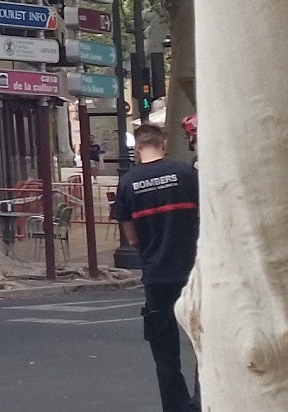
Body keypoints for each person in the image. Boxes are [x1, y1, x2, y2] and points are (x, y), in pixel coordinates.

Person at [113, 124, 200, 412]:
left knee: (165, 355)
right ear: (163, 144)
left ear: (137, 150)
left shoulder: (128, 183)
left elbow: (132, 236)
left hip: (156, 274)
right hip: (193, 272)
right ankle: (201, 403)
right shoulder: (187, 174)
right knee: (203, 344)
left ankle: (175, 407)